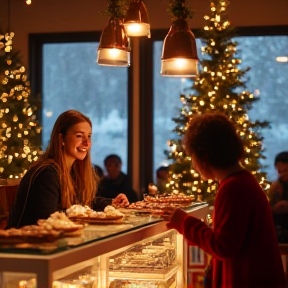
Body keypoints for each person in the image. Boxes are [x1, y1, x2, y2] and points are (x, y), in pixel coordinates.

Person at [162, 112, 286, 288]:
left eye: (192, 157)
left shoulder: (233, 187)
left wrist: (184, 222)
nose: (193, 165)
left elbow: (223, 246)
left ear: (204, 156)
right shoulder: (241, 181)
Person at [7, 110, 128, 228]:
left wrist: (112, 203)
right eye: (79, 136)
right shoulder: (48, 173)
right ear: (61, 139)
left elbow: (82, 204)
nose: (87, 143)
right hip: (32, 244)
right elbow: (48, 222)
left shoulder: (72, 171)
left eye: (89, 136)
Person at [267, 151, 288, 242]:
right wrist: (274, 208)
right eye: (279, 171)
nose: (282, 174)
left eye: (285, 171)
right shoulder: (276, 186)